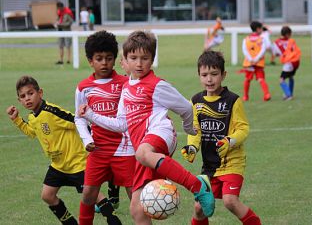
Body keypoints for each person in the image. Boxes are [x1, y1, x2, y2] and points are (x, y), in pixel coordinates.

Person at [77, 30, 216, 224]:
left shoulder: (156, 85)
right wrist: (91, 115)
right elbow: (121, 124)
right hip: (145, 147)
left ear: (152, 60)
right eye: (133, 58)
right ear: (125, 59)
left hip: (160, 133)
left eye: (145, 58)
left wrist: (188, 127)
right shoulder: (126, 88)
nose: (139, 63)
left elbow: (185, 107)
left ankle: (197, 186)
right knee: (137, 209)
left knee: (141, 153)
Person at [6, 76, 119, 225]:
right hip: (58, 166)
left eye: (30, 93)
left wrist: (93, 139)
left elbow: (76, 120)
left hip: (77, 164)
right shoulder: (33, 117)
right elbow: (32, 132)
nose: (27, 98)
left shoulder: (51, 111)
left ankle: (113, 219)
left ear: (40, 93)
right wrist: (17, 120)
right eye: (23, 96)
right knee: (47, 195)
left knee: (93, 195)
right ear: (19, 100)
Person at [181, 50, 261, 225]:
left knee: (230, 201)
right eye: (204, 75)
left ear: (223, 75)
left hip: (232, 163)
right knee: (199, 208)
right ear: (199, 76)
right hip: (209, 166)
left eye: (214, 74)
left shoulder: (233, 100)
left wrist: (229, 141)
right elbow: (195, 130)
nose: (209, 79)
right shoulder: (196, 101)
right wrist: (192, 147)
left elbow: (243, 129)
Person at [75, 30, 135, 225]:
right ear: (90, 60)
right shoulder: (83, 87)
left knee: (135, 196)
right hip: (98, 149)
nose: (104, 63)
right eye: (99, 58)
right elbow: (80, 118)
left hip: (125, 149)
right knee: (88, 195)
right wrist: (87, 140)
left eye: (108, 58)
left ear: (114, 59)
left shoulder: (126, 84)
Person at [241, 21, 272, 102]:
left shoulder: (246, 39)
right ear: (258, 29)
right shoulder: (262, 39)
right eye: (261, 28)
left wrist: (251, 59)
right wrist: (257, 59)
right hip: (259, 62)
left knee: (247, 79)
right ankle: (267, 94)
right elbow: (263, 49)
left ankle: (245, 96)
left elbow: (244, 50)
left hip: (249, 63)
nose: (262, 30)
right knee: (261, 79)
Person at [272, 26, 301, 100]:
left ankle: (288, 95)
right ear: (287, 34)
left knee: (281, 79)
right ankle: (290, 93)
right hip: (296, 61)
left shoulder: (276, 43)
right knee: (291, 76)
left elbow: (275, 53)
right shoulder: (291, 41)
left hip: (288, 63)